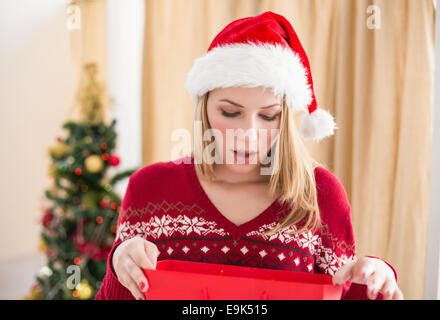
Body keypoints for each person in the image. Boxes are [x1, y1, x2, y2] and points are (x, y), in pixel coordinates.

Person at [96, 11, 403, 300]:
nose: (248, 132)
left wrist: (374, 282)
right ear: (204, 107)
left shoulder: (321, 195)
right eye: (230, 112)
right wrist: (118, 264)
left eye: (268, 116)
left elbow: (345, 291)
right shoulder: (150, 189)